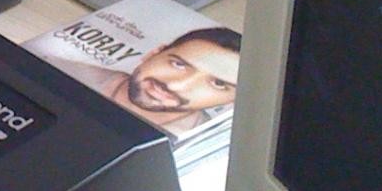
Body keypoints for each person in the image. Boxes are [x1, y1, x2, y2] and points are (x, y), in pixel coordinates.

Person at [54, 27, 241, 134]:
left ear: (232, 101)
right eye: (178, 64)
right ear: (154, 54)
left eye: (218, 83)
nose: (176, 85)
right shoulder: (61, 71)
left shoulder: (199, 149)